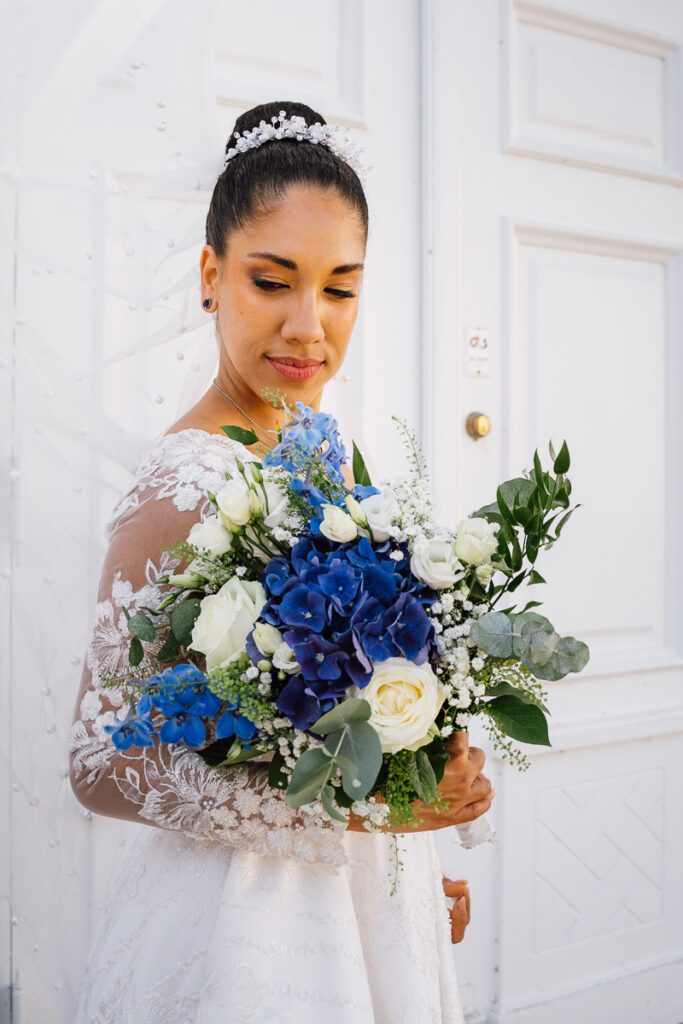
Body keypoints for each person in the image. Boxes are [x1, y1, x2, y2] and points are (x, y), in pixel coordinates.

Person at [68, 100, 494, 1024]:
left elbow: (356, 711)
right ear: (212, 276)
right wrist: (357, 817)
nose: (310, 326)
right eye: (274, 281)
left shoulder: (324, 452)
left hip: (364, 915)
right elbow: (98, 761)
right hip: (243, 937)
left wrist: (417, 827)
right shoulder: (184, 482)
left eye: (340, 288)